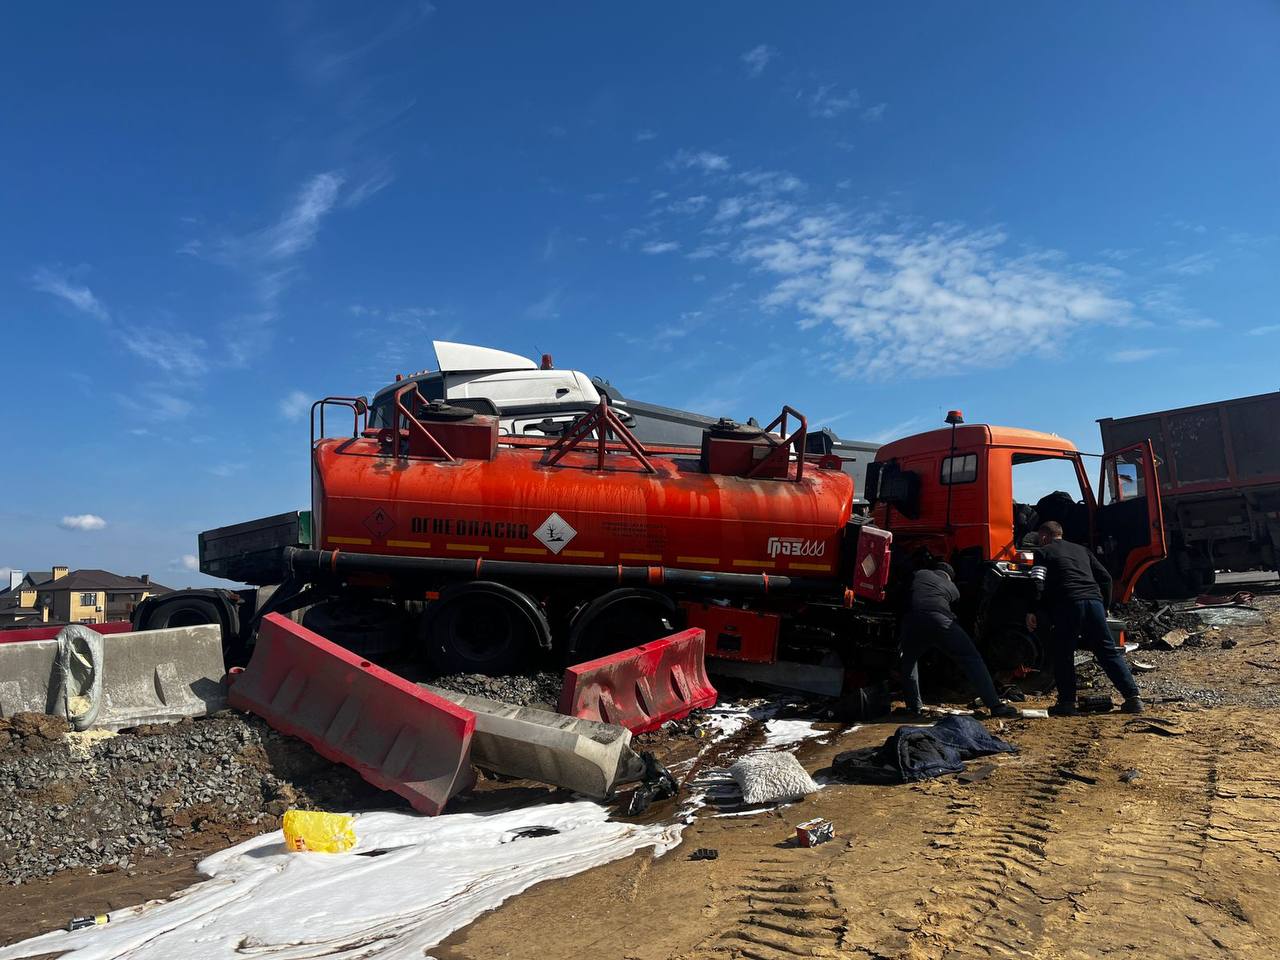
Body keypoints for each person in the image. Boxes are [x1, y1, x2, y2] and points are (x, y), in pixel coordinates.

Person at [1026, 521, 1145, 716]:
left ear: (1045, 536)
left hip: (1068, 605)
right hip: (1094, 604)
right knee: (1108, 652)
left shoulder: (1043, 552)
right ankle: (1133, 698)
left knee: (1063, 653)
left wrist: (1033, 610)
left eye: (1040, 539)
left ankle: (1067, 703)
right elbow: (1105, 577)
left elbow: (1037, 581)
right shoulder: (1082, 550)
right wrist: (1104, 606)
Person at [897, 563, 1018, 718]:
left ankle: (913, 708)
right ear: (949, 577)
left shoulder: (920, 572)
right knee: (971, 658)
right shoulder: (952, 588)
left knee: (909, 663)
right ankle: (995, 706)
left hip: (911, 621)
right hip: (940, 620)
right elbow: (957, 612)